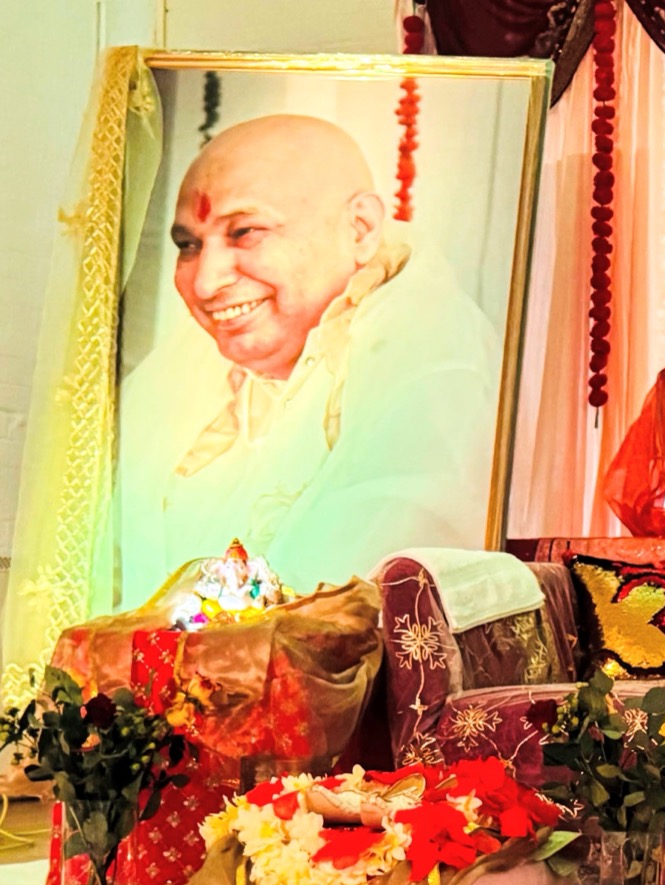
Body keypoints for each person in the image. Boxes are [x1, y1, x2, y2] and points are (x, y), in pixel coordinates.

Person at [116, 114, 503, 604]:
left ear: (360, 229)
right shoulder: (185, 376)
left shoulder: (433, 369)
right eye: (188, 245)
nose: (206, 283)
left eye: (245, 232)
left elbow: (347, 614)